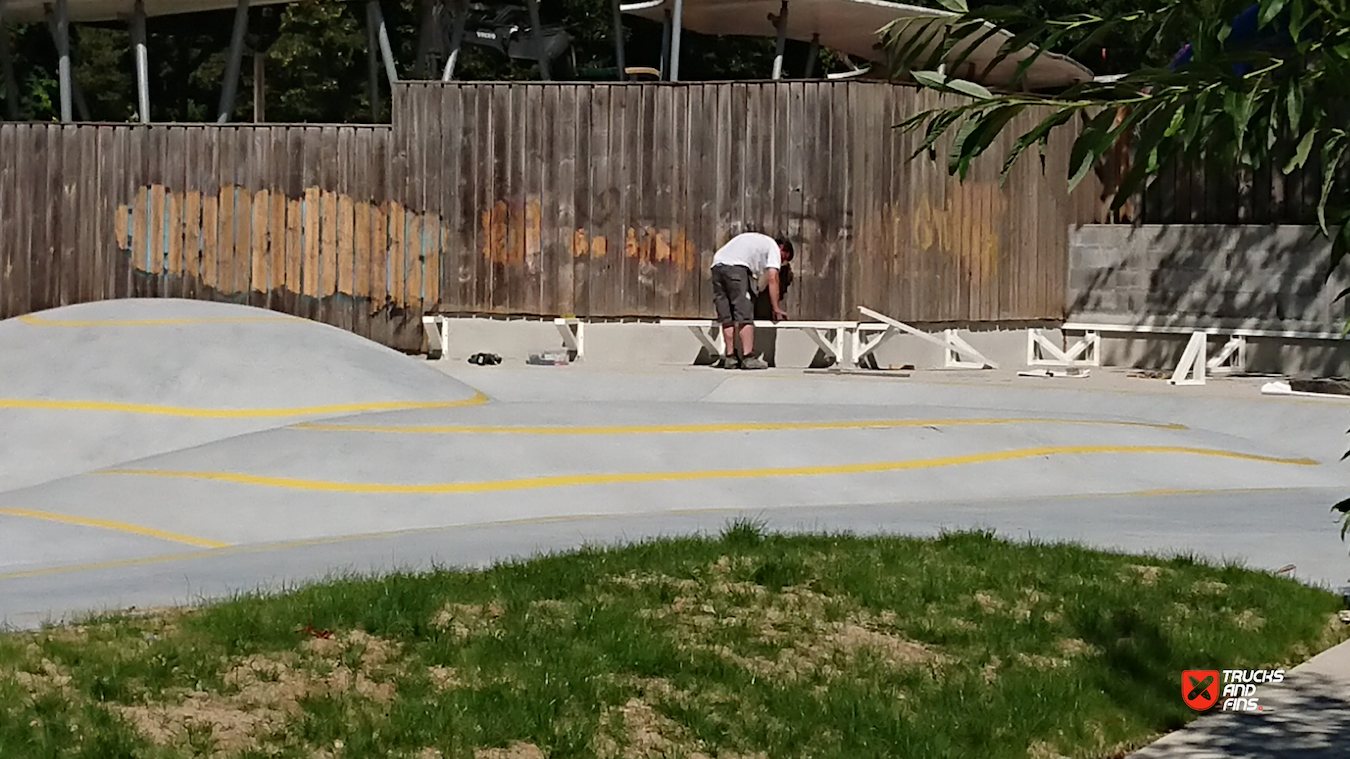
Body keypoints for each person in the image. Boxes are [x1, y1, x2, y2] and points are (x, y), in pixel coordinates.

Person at [709, 232, 794, 369]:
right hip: (736, 267)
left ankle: (730, 357)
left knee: (726, 314)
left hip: (717, 265)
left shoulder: (757, 241)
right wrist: (776, 307)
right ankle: (748, 357)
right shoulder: (773, 247)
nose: (782, 262)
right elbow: (773, 278)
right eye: (784, 258)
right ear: (782, 249)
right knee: (744, 312)